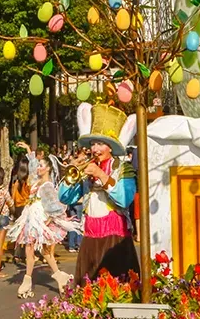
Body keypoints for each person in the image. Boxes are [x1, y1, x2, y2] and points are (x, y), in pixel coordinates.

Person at [59, 103, 139, 284]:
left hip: (115, 238)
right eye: (93, 144)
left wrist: (101, 175)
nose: (95, 149)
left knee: (116, 287)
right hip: (89, 236)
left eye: (100, 144)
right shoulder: (87, 168)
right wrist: (72, 172)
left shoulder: (122, 168)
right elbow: (64, 198)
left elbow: (125, 199)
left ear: (111, 147)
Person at [6, 154, 77, 298]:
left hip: (40, 220)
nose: (38, 168)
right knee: (35, 249)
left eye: (41, 166)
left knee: (37, 250)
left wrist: (48, 222)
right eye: (38, 165)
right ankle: (54, 277)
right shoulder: (37, 181)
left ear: (48, 168)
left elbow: (56, 207)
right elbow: (32, 169)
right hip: (31, 218)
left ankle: (31, 280)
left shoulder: (47, 186)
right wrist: (29, 153)